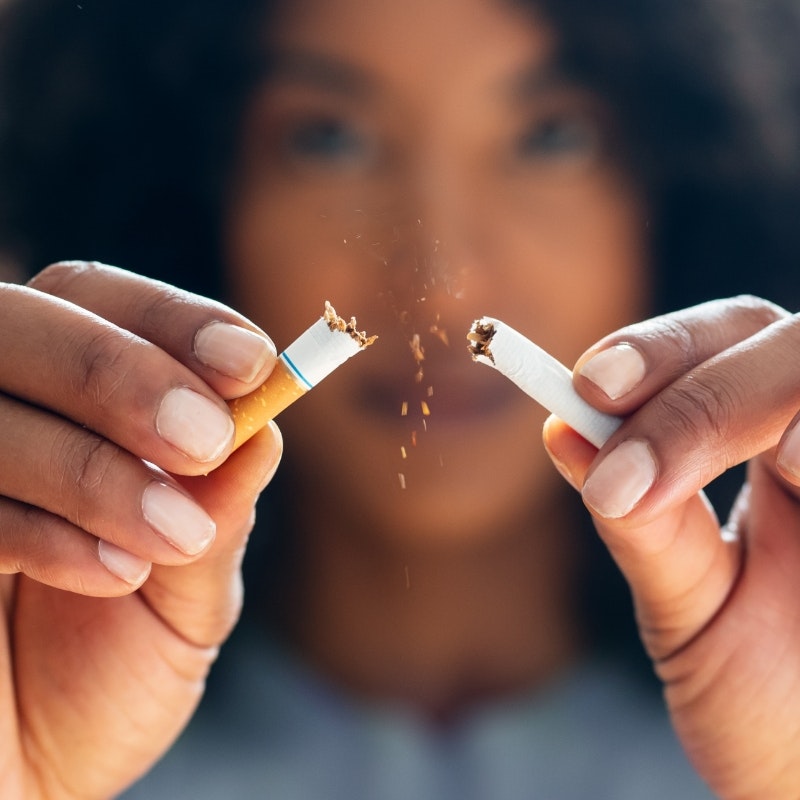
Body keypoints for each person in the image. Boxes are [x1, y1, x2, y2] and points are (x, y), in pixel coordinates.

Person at [1, 0, 800, 797]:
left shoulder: (773, 724)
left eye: (554, 135)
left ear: (677, 190)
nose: (443, 290)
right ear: (200, 199)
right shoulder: (61, 700)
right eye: (328, 139)